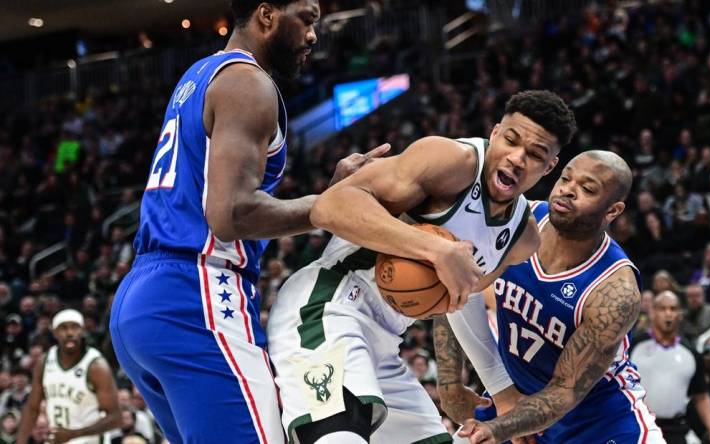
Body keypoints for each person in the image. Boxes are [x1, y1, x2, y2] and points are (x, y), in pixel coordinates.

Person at [108, 1, 390, 443]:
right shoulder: (249, 84)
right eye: (308, 19)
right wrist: (329, 205)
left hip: (144, 299)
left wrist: (328, 196)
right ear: (266, 15)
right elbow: (230, 215)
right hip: (197, 295)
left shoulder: (200, 74)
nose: (314, 35)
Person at [267, 90, 577, 443]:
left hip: (385, 343)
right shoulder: (451, 161)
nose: (517, 158)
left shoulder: (522, 238)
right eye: (511, 140)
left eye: (535, 154)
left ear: (549, 166)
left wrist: (502, 392)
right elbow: (329, 206)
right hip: (329, 305)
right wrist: (434, 249)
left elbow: (465, 299)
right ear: (494, 133)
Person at [435, 151, 665, 443]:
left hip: (598, 420)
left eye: (587, 189)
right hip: (514, 397)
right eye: (566, 178)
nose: (568, 189)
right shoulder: (517, 221)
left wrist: (504, 426)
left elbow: (565, 391)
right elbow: (457, 290)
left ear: (613, 211)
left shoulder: (615, 291)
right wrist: (450, 380)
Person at [630, 291, 710, 444]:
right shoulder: (634, 346)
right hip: (638, 426)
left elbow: (701, 396)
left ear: (680, 314)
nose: (669, 314)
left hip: (676, 430)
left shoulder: (691, 353)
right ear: (652, 313)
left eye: (673, 309)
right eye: (663, 308)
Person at [17, 309, 121, 444]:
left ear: (82, 330)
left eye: (75, 327)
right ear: (54, 332)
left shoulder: (96, 366)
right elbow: (32, 408)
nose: (70, 333)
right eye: (63, 328)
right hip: (58, 440)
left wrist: (74, 434)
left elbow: (116, 418)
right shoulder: (45, 362)